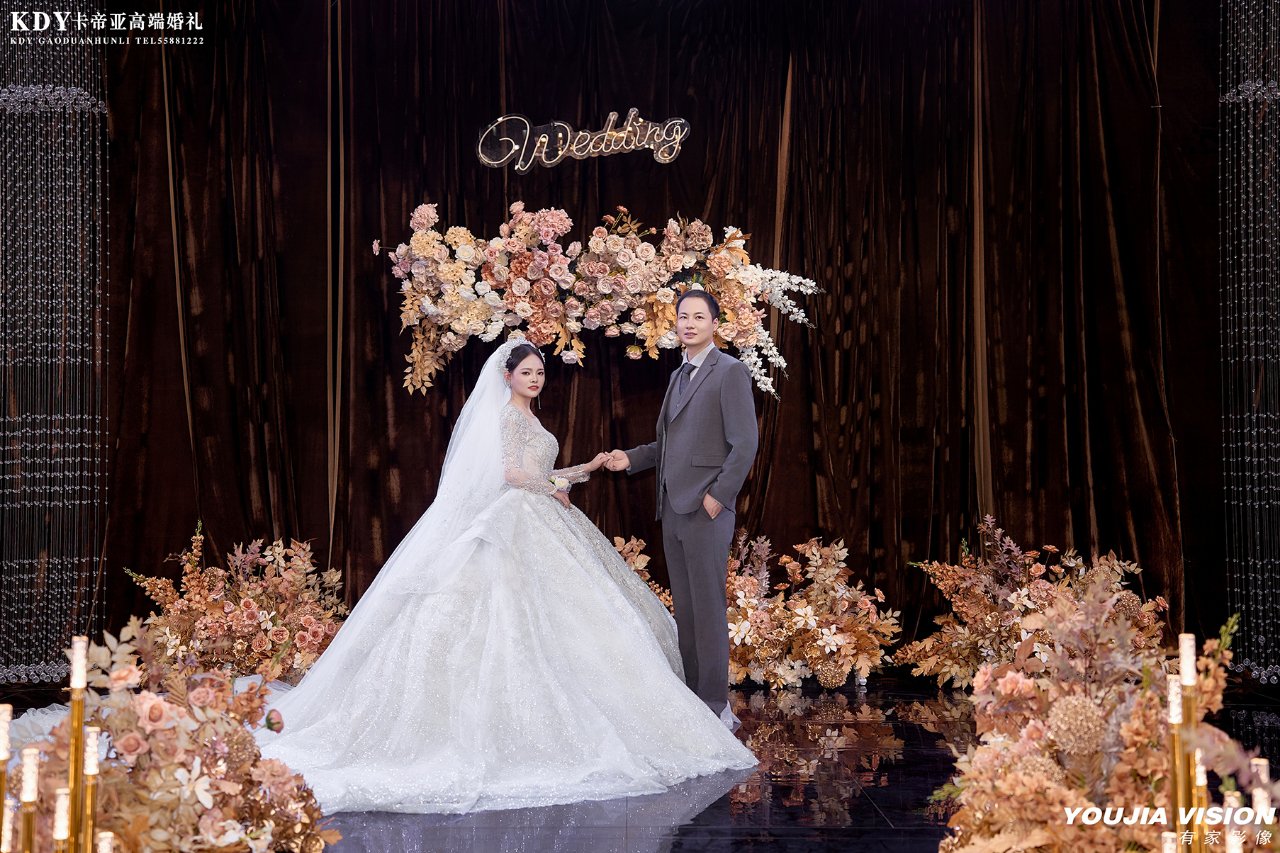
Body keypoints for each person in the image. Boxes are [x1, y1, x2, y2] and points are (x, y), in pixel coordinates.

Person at [257, 338, 755, 814]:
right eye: (526, 373)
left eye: (540, 373)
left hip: (539, 511)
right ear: (507, 376)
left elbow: (541, 473)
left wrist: (584, 468)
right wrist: (553, 486)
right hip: (517, 514)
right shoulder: (506, 417)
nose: (534, 379)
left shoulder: (529, 416)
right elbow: (513, 475)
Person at [605, 288, 759, 727]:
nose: (689, 324)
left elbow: (745, 443)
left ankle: (713, 706)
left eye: (698, 317)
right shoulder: (679, 375)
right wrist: (631, 458)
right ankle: (694, 702)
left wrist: (718, 496)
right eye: (682, 317)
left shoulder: (729, 372)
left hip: (706, 509)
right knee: (687, 611)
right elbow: (668, 445)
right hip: (673, 508)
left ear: (715, 324)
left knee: (707, 609)